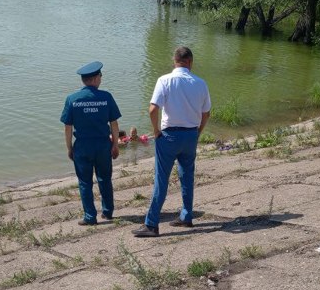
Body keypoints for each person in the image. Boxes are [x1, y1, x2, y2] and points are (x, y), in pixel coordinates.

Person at [133, 46, 211, 237]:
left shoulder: (164, 80)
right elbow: (206, 112)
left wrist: (156, 131)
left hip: (168, 136)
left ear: (174, 61)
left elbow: (153, 109)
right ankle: (186, 216)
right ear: (190, 62)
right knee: (187, 176)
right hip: (190, 135)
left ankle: (152, 224)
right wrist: (198, 131)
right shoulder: (201, 83)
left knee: (161, 179)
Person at [60, 61, 121, 226]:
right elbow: (114, 124)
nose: (101, 79)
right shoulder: (106, 97)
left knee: (85, 182)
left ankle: (90, 216)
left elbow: (67, 127)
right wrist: (115, 144)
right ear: (95, 78)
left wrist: (69, 147)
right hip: (102, 145)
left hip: (82, 146)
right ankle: (107, 212)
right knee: (105, 179)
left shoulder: (72, 99)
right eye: (100, 76)